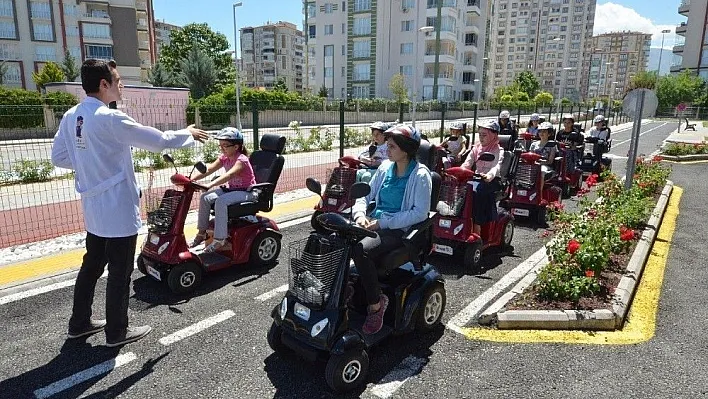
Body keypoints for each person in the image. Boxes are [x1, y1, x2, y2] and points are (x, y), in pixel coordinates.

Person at [51, 59, 210, 347]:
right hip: (118, 209)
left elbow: (59, 158)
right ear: (104, 84)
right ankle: (117, 333)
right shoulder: (110, 118)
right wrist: (189, 134)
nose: (120, 84)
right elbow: (160, 140)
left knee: (91, 266)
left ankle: (79, 323)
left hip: (93, 207)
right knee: (120, 272)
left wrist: (91, 166)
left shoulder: (72, 115)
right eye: (117, 79)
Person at [351, 124, 432, 335]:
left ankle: (377, 304)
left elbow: (419, 214)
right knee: (332, 238)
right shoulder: (385, 167)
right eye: (387, 145)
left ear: (406, 149)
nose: (387, 149)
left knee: (361, 249)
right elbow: (364, 195)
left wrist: (382, 223)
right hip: (373, 223)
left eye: (392, 146)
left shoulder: (420, 175)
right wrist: (360, 215)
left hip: (397, 230)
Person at [189, 127, 257, 253]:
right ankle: (202, 233)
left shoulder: (241, 160)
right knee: (205, 197)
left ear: (236, 147)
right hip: (233, 191)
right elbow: (208, 170)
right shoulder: (224, 158)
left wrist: (209, 185)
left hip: (247, 192)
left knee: (221, 201)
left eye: (225, 145)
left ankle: (220, 239)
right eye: (220, 145)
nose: (222, 148)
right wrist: (190, 180)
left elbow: (229, 175)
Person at [461, 119, 504, 237]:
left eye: (484, 135)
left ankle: (477, 227)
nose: (481, 138)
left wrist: (489, 176)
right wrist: (458, 173)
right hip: (476, 179)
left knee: (477, 192)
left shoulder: (498, 150)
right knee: (460, 189)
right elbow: (467, 164)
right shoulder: (476, 148)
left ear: (493, 135)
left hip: (492, 181)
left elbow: (496, 166)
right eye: (480, 135)